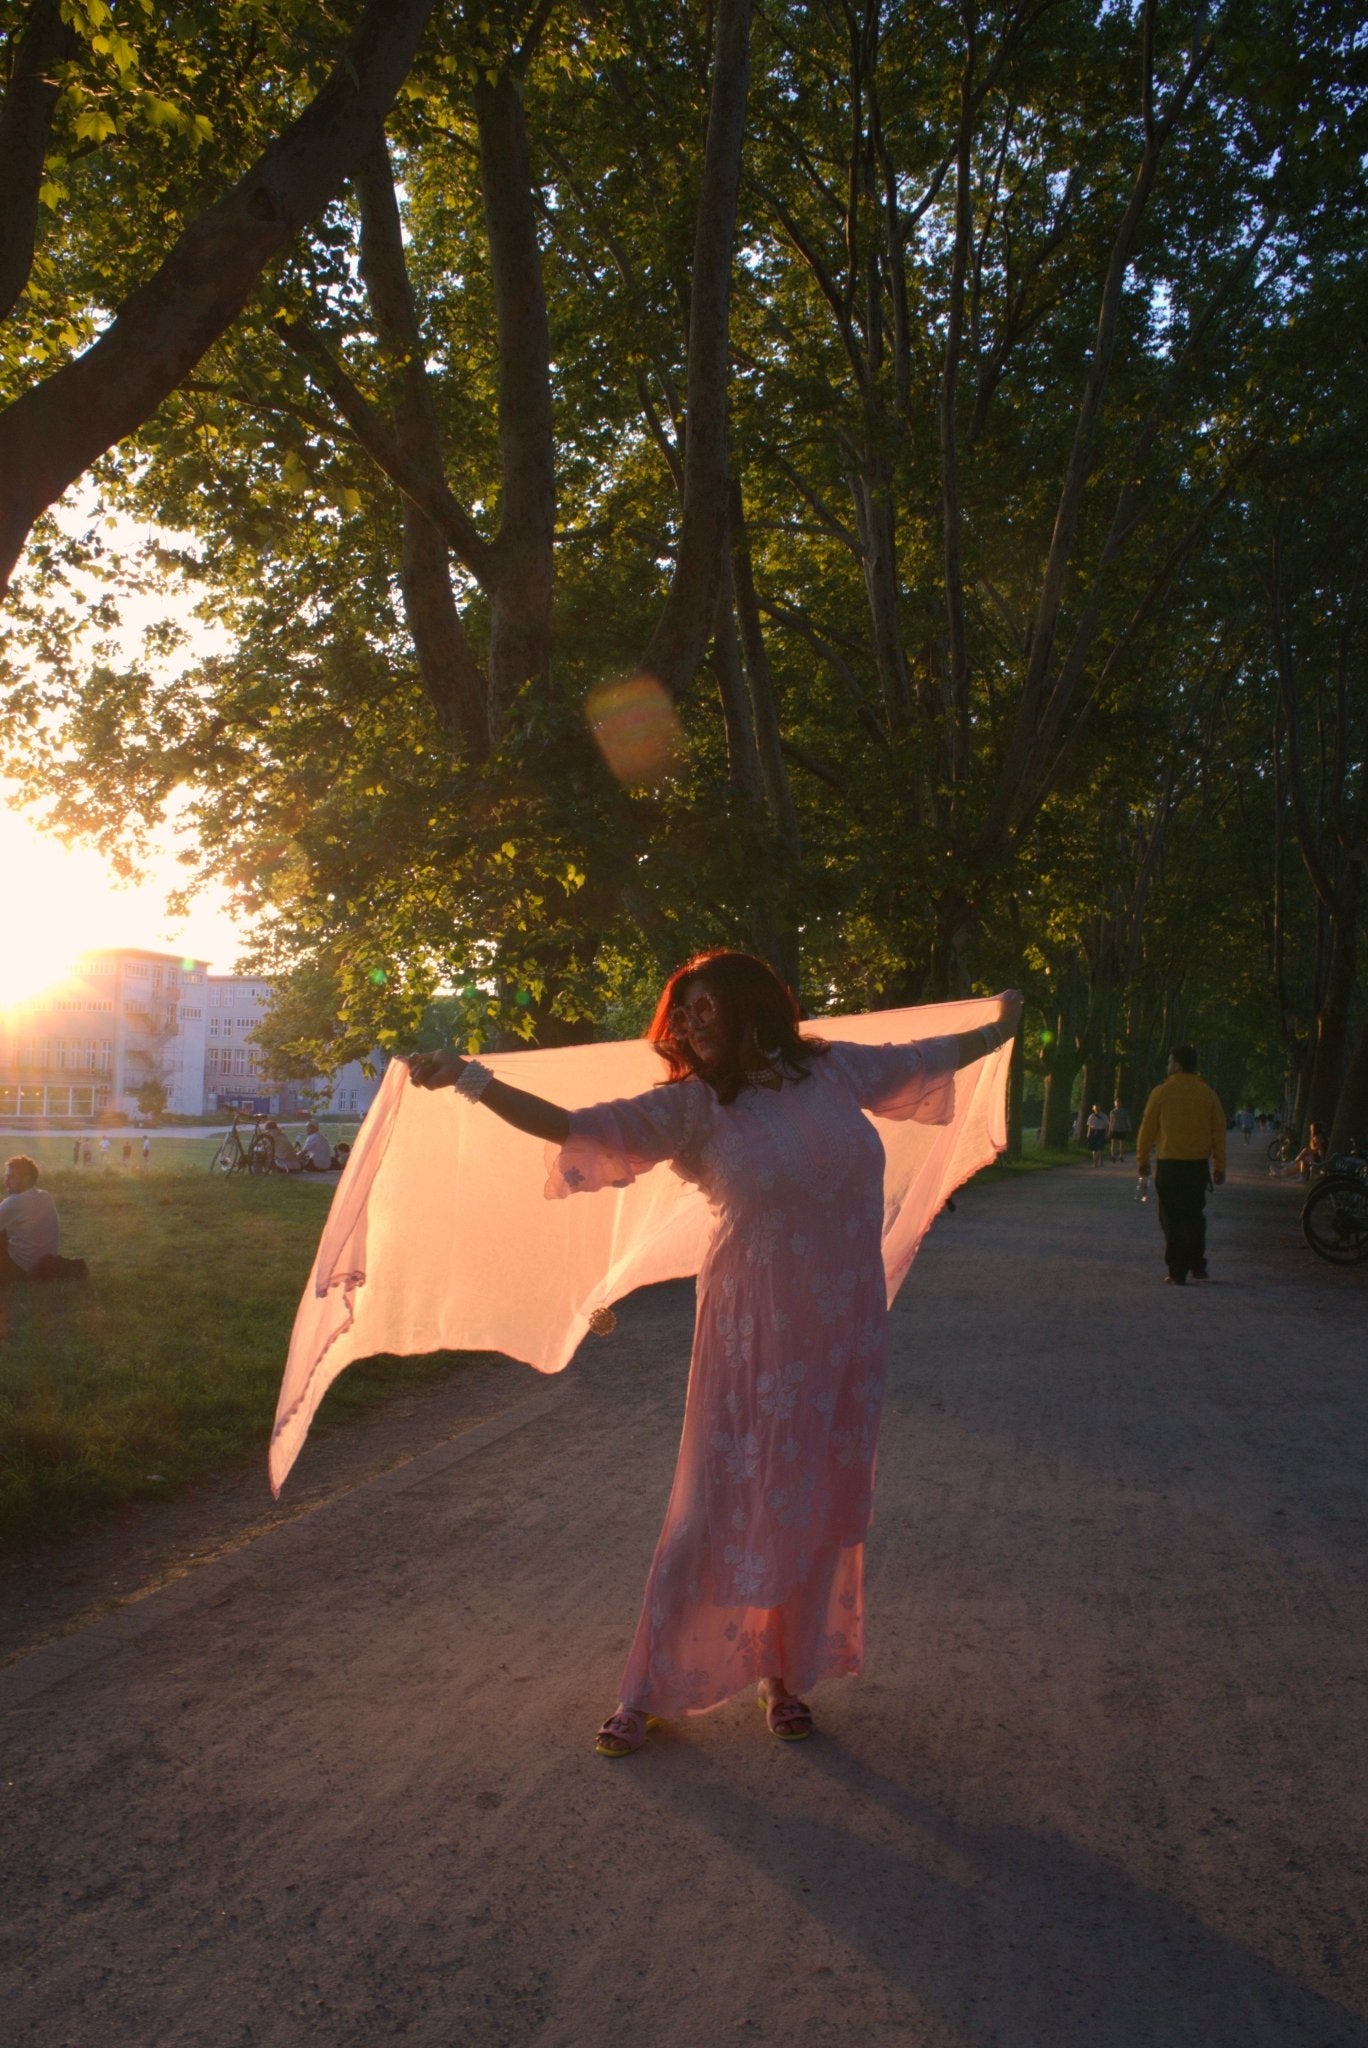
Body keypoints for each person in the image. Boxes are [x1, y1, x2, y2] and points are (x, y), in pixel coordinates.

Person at [409, 950, 1023, 1757]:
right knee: (715, 1502)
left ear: (753, 1007)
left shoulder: (834, 1072)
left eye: (708, 1008)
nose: (693, 1026)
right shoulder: (695, 1108)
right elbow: (572, 1127)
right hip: (751, 1332)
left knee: (809, 1499)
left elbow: (929, 1057)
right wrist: (470, 1079)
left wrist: (1002, 1028)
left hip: (843, 1332)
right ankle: (646, 1689)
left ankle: (782, 1675)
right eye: (685, 1013)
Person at [1135, 1045, 1226, 1285]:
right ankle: (1197, 1263)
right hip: (1197, 1165)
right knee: (1194, 1215)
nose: (1167, 1066)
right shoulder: (1208, 1094)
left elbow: (1147, 1128)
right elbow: (1218, 1132)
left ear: (1177, 1065)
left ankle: (1177, 1269)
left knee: (1171, 1217)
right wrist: (1220, 1166)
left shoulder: (1161, 1092)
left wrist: (1142, 1160)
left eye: (1169, 1062)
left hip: (1170, 1163)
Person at [0, 1156, 86, 1284]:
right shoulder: (44, 1196)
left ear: (27, 1179)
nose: (6, 1182)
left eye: (11, 1177)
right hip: (46, 1262)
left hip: (23, 1268)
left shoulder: (15, 1201)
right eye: (6, 1176)